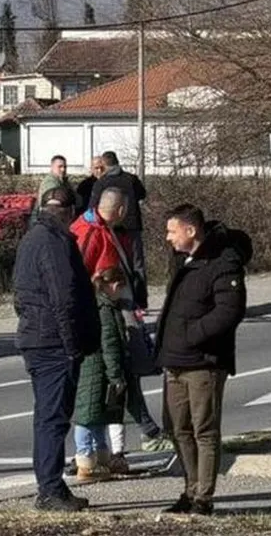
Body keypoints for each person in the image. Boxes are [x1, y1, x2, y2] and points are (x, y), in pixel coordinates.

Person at [155, 204, 250, 517]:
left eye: (172, 231)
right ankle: (189, 487)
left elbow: (229, 311)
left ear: (190, 230)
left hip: (205, 362)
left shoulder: (223, 261)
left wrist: (192, 335)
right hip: (175, 360)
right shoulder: (183, 260)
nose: (167, 237)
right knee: (176, 427)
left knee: (203, 430)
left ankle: (203, 498)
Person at [68, 188, 170, 477]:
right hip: (104, 310)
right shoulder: (90, 232)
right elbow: (79, 272)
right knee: (123, 379)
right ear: (121, 210)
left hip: (113, 305)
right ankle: (134, 440)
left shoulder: (103, 228)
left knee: (120, 384)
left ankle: (116, 450)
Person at [13, 186, 101, 512]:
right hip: (51, 342)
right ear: (67, 212)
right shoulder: (53, 243)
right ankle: (50, 488)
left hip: (38, 336)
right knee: (52, 418)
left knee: (47, 417)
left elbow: (22, 294)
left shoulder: (35, 237)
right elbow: (64, 298)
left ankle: (50, 485)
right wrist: (71, 344)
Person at [72, 262, 130, 483]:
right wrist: (116, 376)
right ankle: (85, 461)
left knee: (97, 416)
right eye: (120, 287)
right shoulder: (105, 310)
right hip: (98, 370)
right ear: (113, 285)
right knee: (87, 417)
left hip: (91, 368)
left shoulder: (95, 305)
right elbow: (110, 345)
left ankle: (98, 458)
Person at [89, 152, 148, 308]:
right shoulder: (131, 179)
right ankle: (141, 301)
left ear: (104, 164)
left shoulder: (102, 183)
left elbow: (93, 207)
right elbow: (143, 194)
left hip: (113, 228)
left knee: (118, 264)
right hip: (133, 226)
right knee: (137, 264)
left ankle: (121, 298)